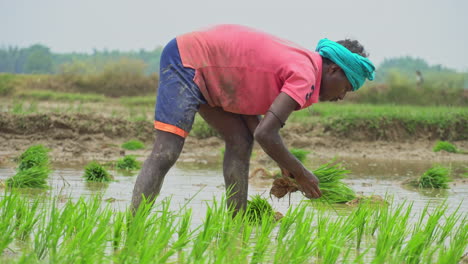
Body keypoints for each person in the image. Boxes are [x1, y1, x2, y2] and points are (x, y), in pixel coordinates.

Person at [131, 24, 375, 213]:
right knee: (167, 152)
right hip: (188, 59)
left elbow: (253, 117)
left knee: (240, 141)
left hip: (216, 74)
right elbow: (265, 134)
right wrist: (299, 172)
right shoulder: (306, 74)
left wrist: (285, 163)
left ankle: (236, 225)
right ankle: (134, 228)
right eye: (346, 88)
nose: (342, 96)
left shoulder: (304, 66)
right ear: (333, 70)